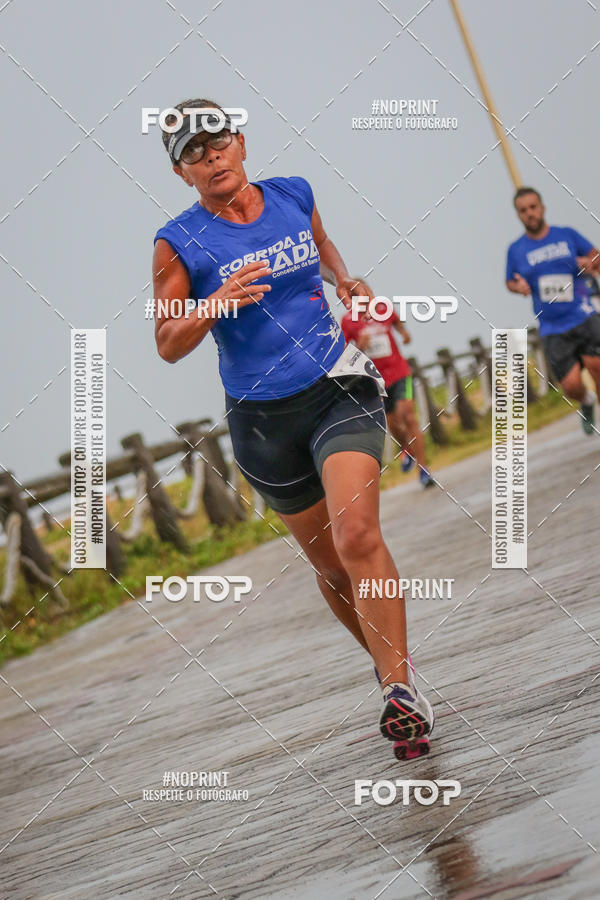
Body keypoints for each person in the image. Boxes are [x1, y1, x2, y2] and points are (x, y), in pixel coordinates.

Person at [152, 99, 434, 760]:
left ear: (241, 143)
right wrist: (215, 303)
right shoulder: (177, 242)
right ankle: (400, 682)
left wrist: (344, 279)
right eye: (193, 153)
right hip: (261, 423)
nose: (211, 157)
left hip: (337, 387)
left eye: (218, 142)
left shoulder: (293, 194)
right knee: (332, 568)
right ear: (181, 173)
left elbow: (323, 244)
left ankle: (397, 690)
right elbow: (166, 341)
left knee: (357, 533)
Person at [506, 187, 600, 434]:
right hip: (552, 327)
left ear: (542, 208)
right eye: (523, 210)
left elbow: (595, 257)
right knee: (570, 386)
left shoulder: (566, 235)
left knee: (597, 367)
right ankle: (586, 401)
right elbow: (510, 282)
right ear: (518, 215)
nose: (530, 213)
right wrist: (519, 287)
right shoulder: (516, 250)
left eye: (533, 207)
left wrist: (588, 262)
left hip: (583, 314)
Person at [341, 302, 435, 487]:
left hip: (400, 373)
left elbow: (398, 323)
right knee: (393, 422)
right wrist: (360, 346)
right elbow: (344, 355)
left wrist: (405, 334)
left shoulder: (383, 309)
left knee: (408, 416)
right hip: (376, 380)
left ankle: (423, 469)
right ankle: (406, 449)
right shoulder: (348, 321)